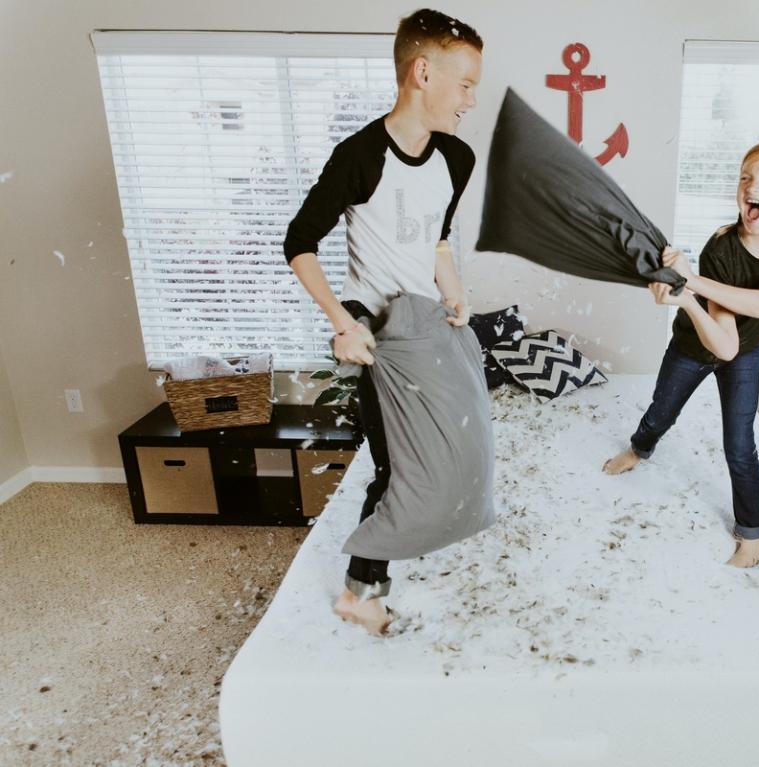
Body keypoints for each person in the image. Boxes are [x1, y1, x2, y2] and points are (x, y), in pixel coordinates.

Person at [282, 8, 483, 635]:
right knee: (399, 468)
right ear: (423, 73)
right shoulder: (360, 156)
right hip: (379, 335)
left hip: (431, 324)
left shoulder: (457, 158)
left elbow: (436, 238)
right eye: (465, 84)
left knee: (461, 449)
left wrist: (453, 290)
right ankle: (360, 593)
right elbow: (299, 243)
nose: (471, 100)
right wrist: (342, 324)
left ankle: (379, 568)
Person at [604, 141, 759, 568]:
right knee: (661, 412)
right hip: (696, 344)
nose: (751, 186)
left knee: (740, 444)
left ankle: (752, 534)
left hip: (744, 350)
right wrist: (685, 298)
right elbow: (722, 341)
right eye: (745, 177)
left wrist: (691, 281)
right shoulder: (720, 248)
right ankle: (639, 449)